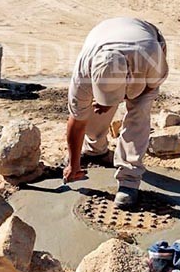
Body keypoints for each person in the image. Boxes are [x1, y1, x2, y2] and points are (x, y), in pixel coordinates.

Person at [62, 17, 168, 208]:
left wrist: (126, 97)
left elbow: (149, 88)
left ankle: (129, 180)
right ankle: (95, 150)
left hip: (145, 46)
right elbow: (76, 122)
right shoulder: (83, 74)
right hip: (104, 36)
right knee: (94, 111)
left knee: (139, 112)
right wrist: (73, 163)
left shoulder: (152, 56)